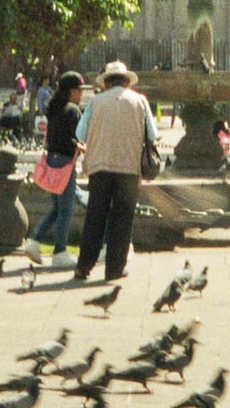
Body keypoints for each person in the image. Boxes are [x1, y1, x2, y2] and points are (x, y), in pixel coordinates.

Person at [71, 61, 157, 285]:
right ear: (127, 81)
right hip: (129, 169)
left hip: (99, 167)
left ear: (106, 83)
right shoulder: (140, 101)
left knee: (95, 218)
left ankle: (84, 266)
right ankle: (114, 269)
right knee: (122, 219)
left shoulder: (95, 102)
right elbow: (152, 134)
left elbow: (80, 133)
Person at [24, 71, 87, 267]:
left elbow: (54, 137)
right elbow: (70, 140)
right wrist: (82, 147)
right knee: (66, 210)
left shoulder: (55, 109)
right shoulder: (73, 110)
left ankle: (34, 242)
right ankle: (59, 252)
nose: (81, 95)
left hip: (52, 161)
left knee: (57, 208)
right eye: (79, 90)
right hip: (65, 163)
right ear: (71, 91)